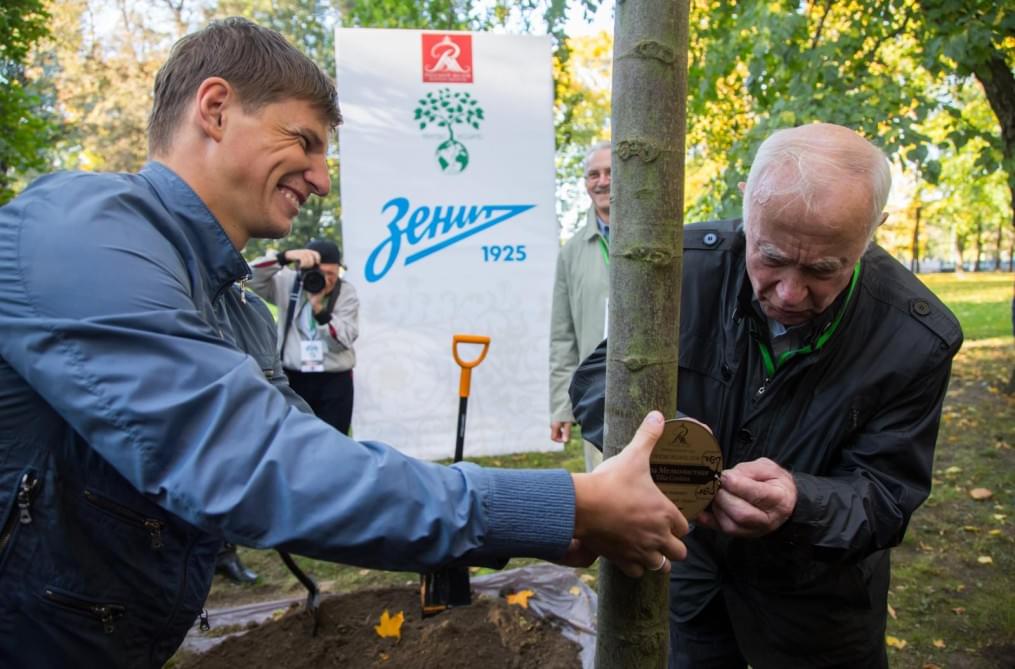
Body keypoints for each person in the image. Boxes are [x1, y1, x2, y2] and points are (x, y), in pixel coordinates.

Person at [0, 18, 689, 668]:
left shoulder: (235, 304)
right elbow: (253, 461)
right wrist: (561, 503)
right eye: (303, 141)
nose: (322, 177)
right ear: (214, 109)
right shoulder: (79, 233)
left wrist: (537, 523)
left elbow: (319, 463)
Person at [570, 123, 963, 668]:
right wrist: (672, 442)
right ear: (747, 214)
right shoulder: (680, 270)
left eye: (823, 270)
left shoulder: (915, 339)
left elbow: (886, 495)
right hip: (692, 580)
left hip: (820, 609)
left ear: (872, 233)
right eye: (771, 258)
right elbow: (597, 382)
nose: (789, 292)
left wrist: (802, 502)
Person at [250, 239, 358, 434]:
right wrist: (285, 257)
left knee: (334, 442)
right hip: (294, 377)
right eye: (319, 273)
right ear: (301, 270)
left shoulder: (346, 293)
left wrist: (319, 309)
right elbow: (249, 276)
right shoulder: (288, 282)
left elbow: (343, 341)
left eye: (331, 274)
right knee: (294, 438)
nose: (325, 280)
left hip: (334, 380)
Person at [549, 140, 611, 471]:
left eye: (611, 172)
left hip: (656, 384)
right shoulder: (571, 252)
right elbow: (563, 337)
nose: (602, 181)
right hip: (597, 392)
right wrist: (562, 407)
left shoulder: (663, 241)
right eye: (593, 174)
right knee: (605, 485)